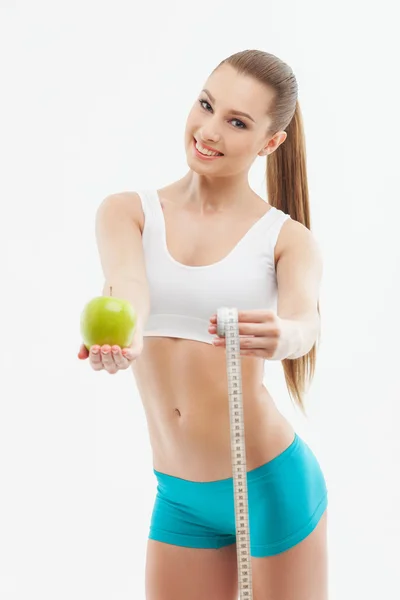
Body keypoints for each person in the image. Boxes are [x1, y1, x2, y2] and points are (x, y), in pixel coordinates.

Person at [78, 49, 329, 600]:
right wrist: (124, 336)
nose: (209, 131)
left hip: (269, 486)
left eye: (237, 122)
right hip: (179, 495)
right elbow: (129, 288)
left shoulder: (286, 239)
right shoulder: (127, 212)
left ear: (270, 143)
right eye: (206, 105)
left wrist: (283, 336)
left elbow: (304, 321)